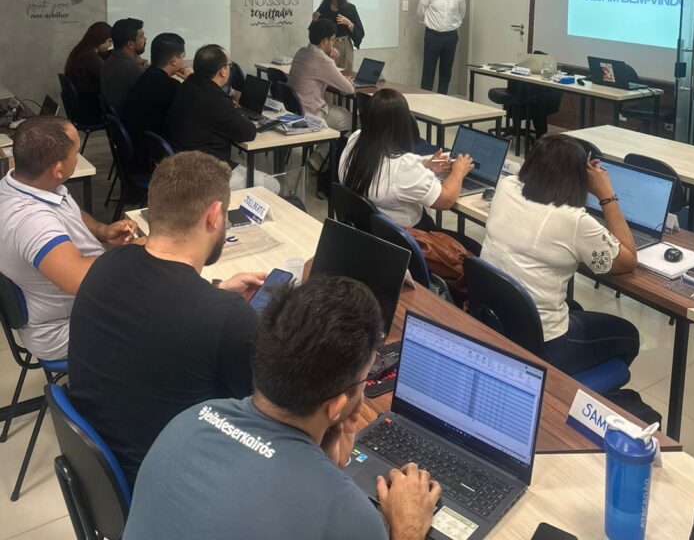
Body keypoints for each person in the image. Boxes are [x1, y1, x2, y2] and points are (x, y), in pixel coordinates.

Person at [123, 275, 441, 540]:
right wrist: (407, 529)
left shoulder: (189, 420)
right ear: (336, 407)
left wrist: (324, 464)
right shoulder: (347, 515)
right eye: (363, 380)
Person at [68, 151, 267, 488]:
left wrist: (217, 292)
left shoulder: (108, 263)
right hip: (177, 488)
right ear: (214, 215)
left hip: (107, 473)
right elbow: (275, 414)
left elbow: (160, 307)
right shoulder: (227, 319)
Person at [481, 135, 639, 375]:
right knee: (629, 335)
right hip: (542, 343)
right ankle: (571, 389)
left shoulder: (507, 186)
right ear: (578, 179)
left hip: (496, 321)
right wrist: (606, 194)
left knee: (574, 306)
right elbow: (628, 261)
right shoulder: (574, 220)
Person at [0, 117, 136, 361]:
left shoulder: (26, 183)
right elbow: (82, 280)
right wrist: (138, 251)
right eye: (76, 152)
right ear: (58, 169)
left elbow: (67, 209)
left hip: (79, 305)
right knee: (166, 313)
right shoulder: (31, 221)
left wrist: (102, 230)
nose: (78, 156)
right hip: (66, 327)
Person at [339, 89, 477, 239]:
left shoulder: (355, 140)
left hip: (372, 235)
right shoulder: (403, 166)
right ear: (404, 124)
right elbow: (447, 200)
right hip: (409, 238)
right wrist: (459, 170)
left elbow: (390, 173)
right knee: (472, 246)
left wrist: (426, 165)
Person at [163, 44, 278, 191]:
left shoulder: (187, 86)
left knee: (249, 171)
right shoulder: (213, 99)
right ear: (223, 71)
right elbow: (248, 133)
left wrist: (229, 109)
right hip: (204, 175)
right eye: (229, 65)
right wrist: (238, 114)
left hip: (183, 164)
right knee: (272, 184)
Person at [122, 32, 191, 172]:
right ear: (174, 61)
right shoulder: (171, 87)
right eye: (183, 56)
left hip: (138, 150)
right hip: (155, 157)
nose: (183, 61)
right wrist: (191, 80)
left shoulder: (144, 77)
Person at [287, 19, 355, 132]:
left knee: (341, 111)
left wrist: (331, 61)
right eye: (333, 40)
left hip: (296, 110)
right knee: (355, 120)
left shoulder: (301, 52)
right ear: (324, 41)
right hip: (313, 114)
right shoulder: (322, 60)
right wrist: (347, 81)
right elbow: (349, 89)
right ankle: (331, 143)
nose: (333, 43)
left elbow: (324, 74)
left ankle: (329, 143)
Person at [417, 0, 466, 94]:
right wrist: (430, 23)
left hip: (450, 37)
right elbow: (421, 12)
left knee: (446, 72)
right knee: (428, 71)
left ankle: (442, 99)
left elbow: (461, 13)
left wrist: (450, 25)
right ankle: (425, 100)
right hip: (432, 36)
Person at [312, 0, 365, 71]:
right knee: (326, 74)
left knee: (345, 76)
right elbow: (314, 33)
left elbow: (360, 32)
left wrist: (348, 23)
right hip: (326, 46)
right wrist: (314, 21)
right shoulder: (324, 7)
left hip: (344, 47)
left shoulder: (350, 8)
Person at [63, 21, 112, 121]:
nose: (110, 45)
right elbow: (108, 78)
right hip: (91, 108)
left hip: (83, 104)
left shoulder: (81, 51)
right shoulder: (91, 57)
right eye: (109, 41)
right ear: (100, 39)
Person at [100, 17, 147, 116]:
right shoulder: (133, 70)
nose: (145, 39)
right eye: (142, 36)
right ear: (130, 44)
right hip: (131, 119)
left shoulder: (110, 60)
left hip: (118, 119)